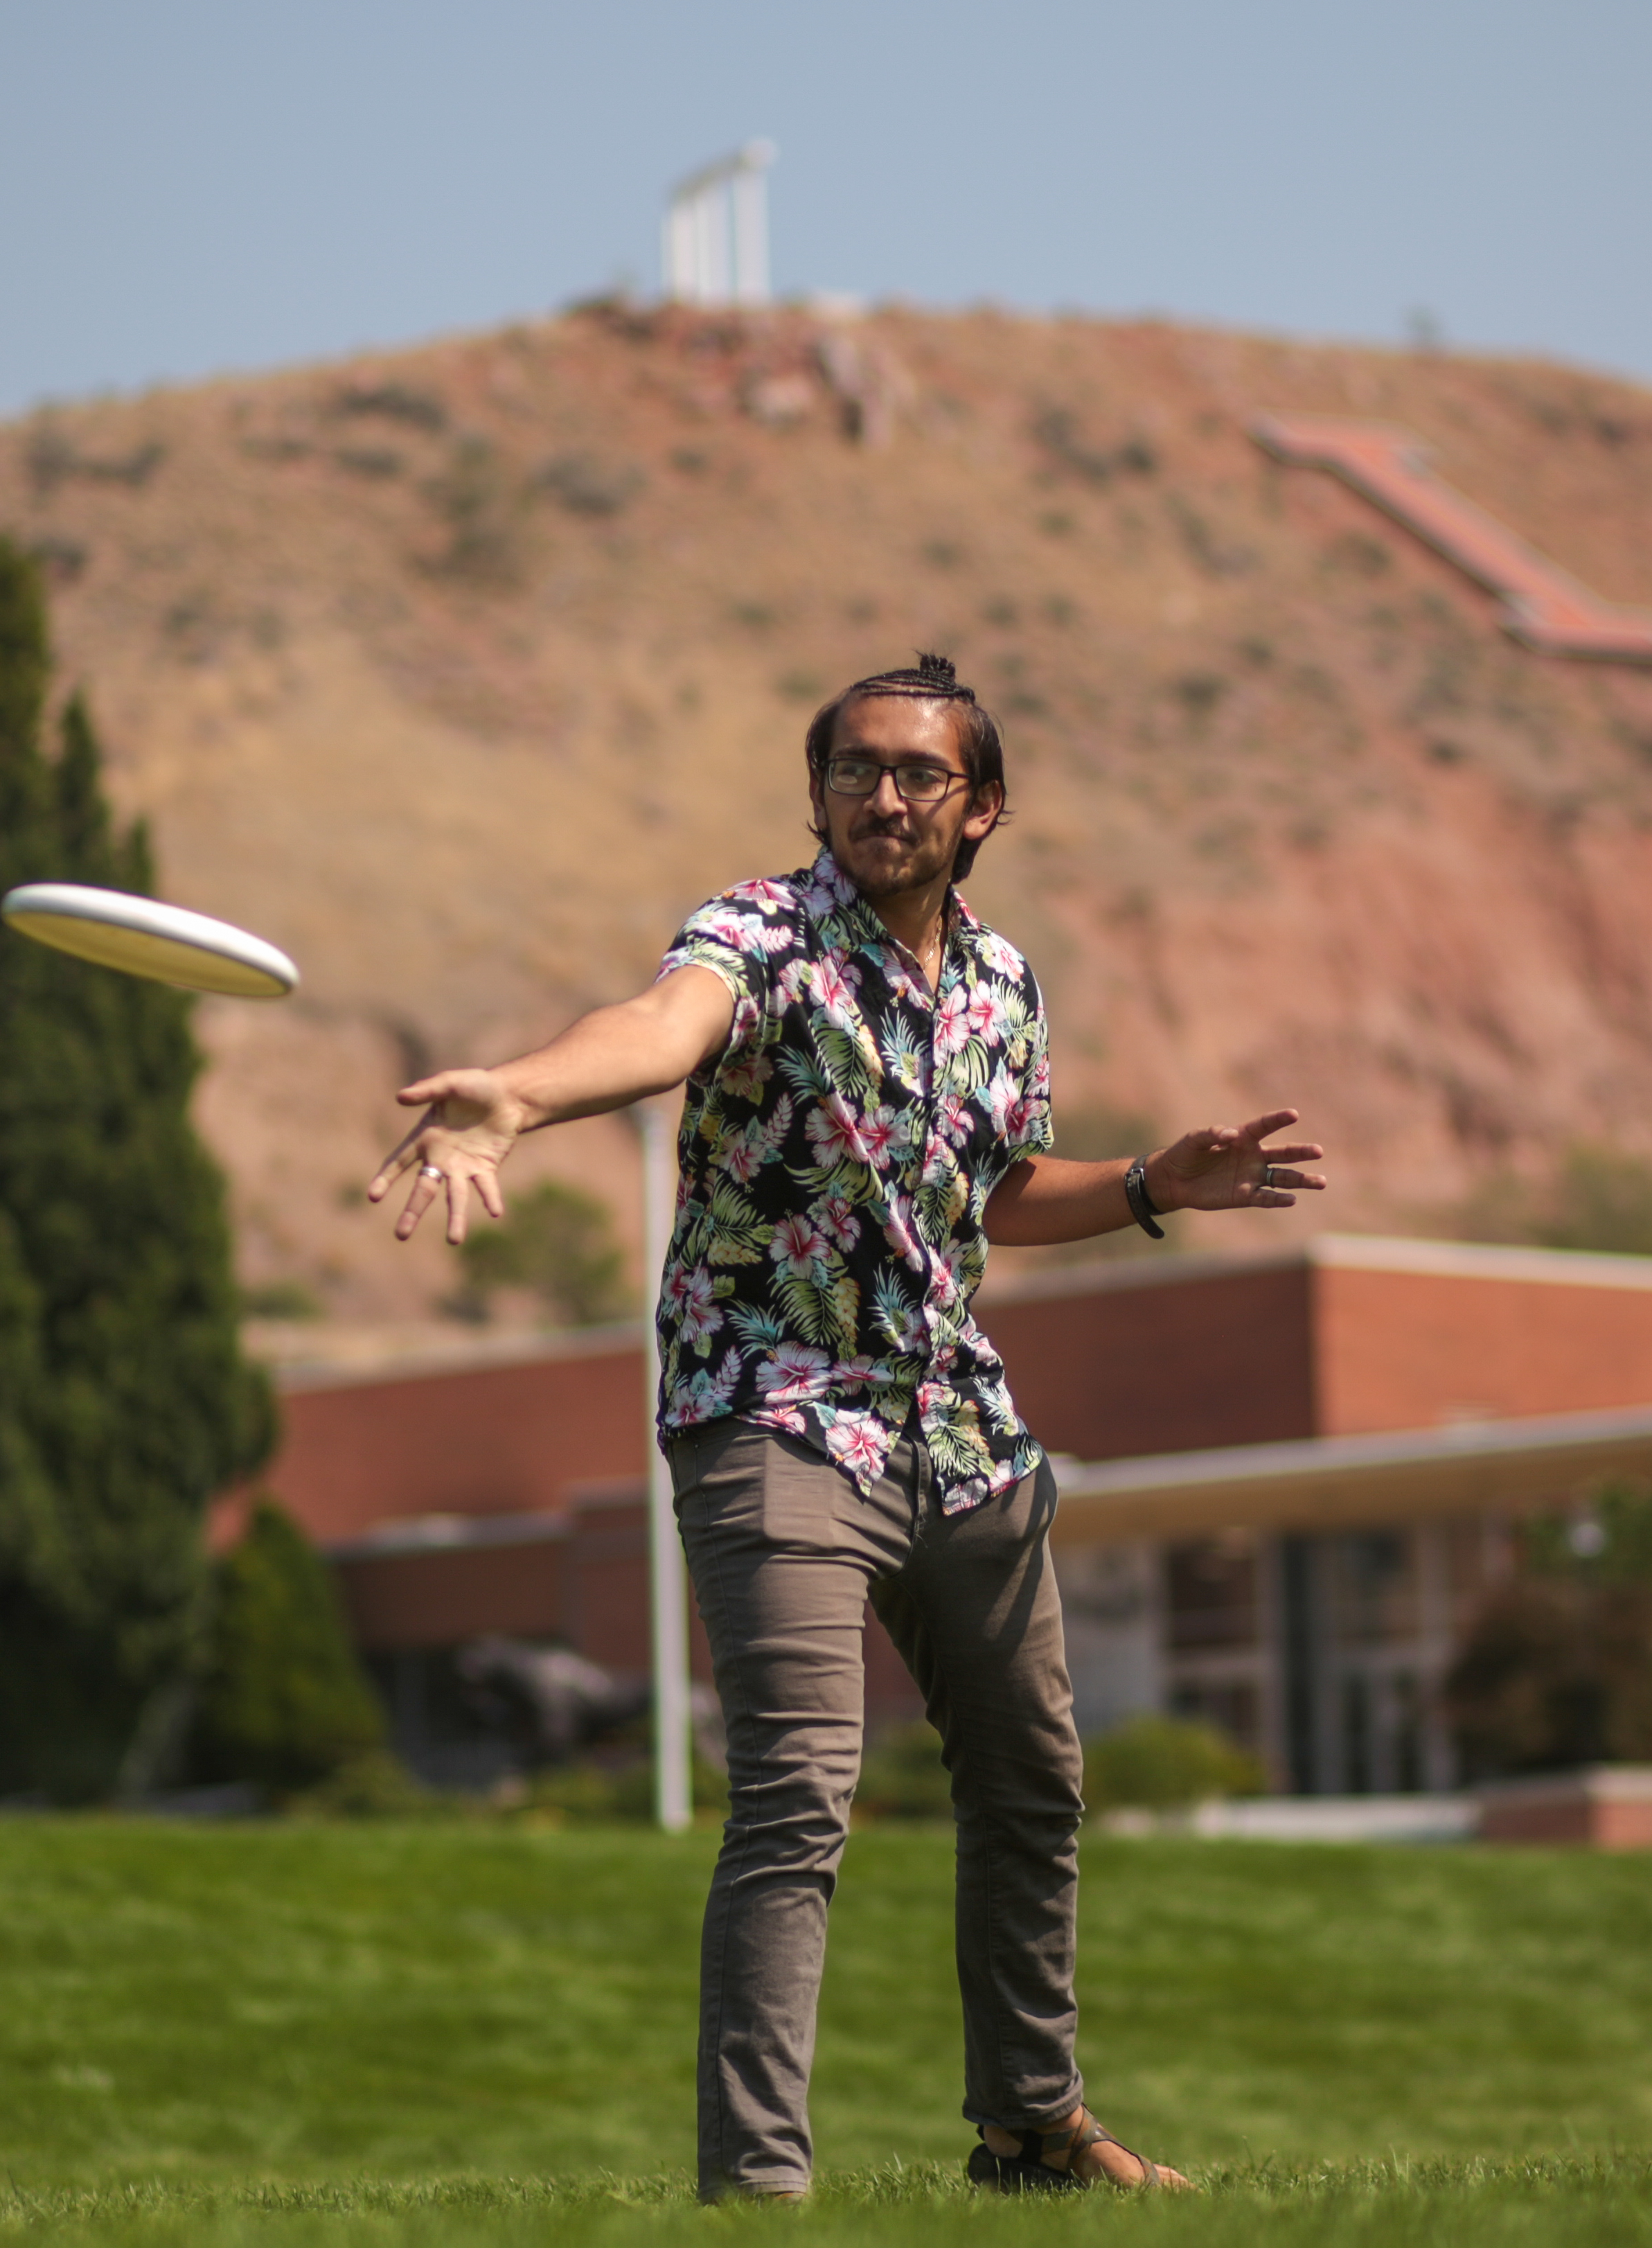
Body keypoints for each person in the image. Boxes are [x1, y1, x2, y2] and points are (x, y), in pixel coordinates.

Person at [368, 653, 1326, 2200]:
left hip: (951, 1424)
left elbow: (1000, 1187)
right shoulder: (757, 935)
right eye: (851, 772)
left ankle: (1031, 2128)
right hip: (769, 1410)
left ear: (983, 807)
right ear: (816, 795)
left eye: (917, 775)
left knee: (1031, 1776)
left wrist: (1150, 1183)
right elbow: (659, 1029)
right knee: (799, 1791)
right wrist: (522, 1099)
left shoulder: (1004, 983)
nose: (881, 799)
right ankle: (757, 2194)